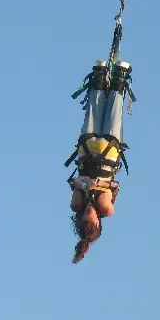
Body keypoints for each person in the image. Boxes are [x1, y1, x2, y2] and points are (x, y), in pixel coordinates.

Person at [65, 58, 134, 263]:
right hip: (108, 152)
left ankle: (99, 77)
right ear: (97, 223)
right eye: (91, 217)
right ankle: (119, 80)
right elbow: (115, 185)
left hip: (88, 149)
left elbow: (73, 182)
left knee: (93, 112)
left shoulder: (77, 204)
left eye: (84, 216)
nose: (88, 211)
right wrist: (101, 184)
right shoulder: (105, 208)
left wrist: (82, 183)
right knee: (114, 113)